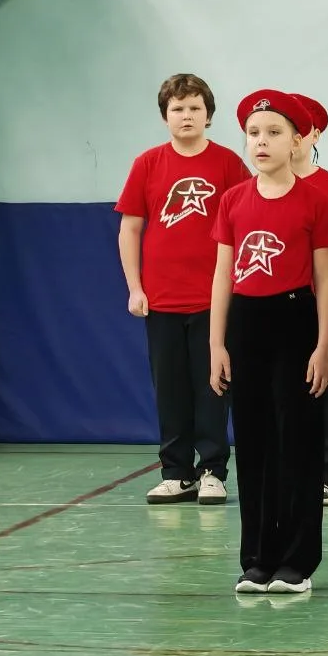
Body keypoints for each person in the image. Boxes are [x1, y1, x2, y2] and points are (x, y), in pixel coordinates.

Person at [209, 90, 328, 594]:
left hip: (296, 320)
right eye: (254, 134)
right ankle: (257, 559)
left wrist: (323, 346)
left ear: (297, 141)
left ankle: (297, 561)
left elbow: (326, 278)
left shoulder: (316, 200)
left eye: (274, 133)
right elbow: (223, 276)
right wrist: (217, 345)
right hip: (247, 323)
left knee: (297, 442)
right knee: (254, 443)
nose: (261, 142)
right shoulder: (232, 200)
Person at [115, 73, 248, 505]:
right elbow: (130, 229)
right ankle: (176, 472)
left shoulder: (228, 164)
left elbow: (246, 225)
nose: (186, 115)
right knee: (170, 389)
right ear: (165, 117)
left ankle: (212, 471)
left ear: (208, 115)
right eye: (177, 109)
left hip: (215, 301)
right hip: (162, 301)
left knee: (213, 387)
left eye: (194, 108)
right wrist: (135, 288)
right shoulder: (147, 164)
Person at [289, 93, 328, 507]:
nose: (294, 137)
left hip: (319, 305)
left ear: (315, 135)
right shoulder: (256, 185)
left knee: (320, 392)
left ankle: (320, 475)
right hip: (275, 306)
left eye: (303, 129)